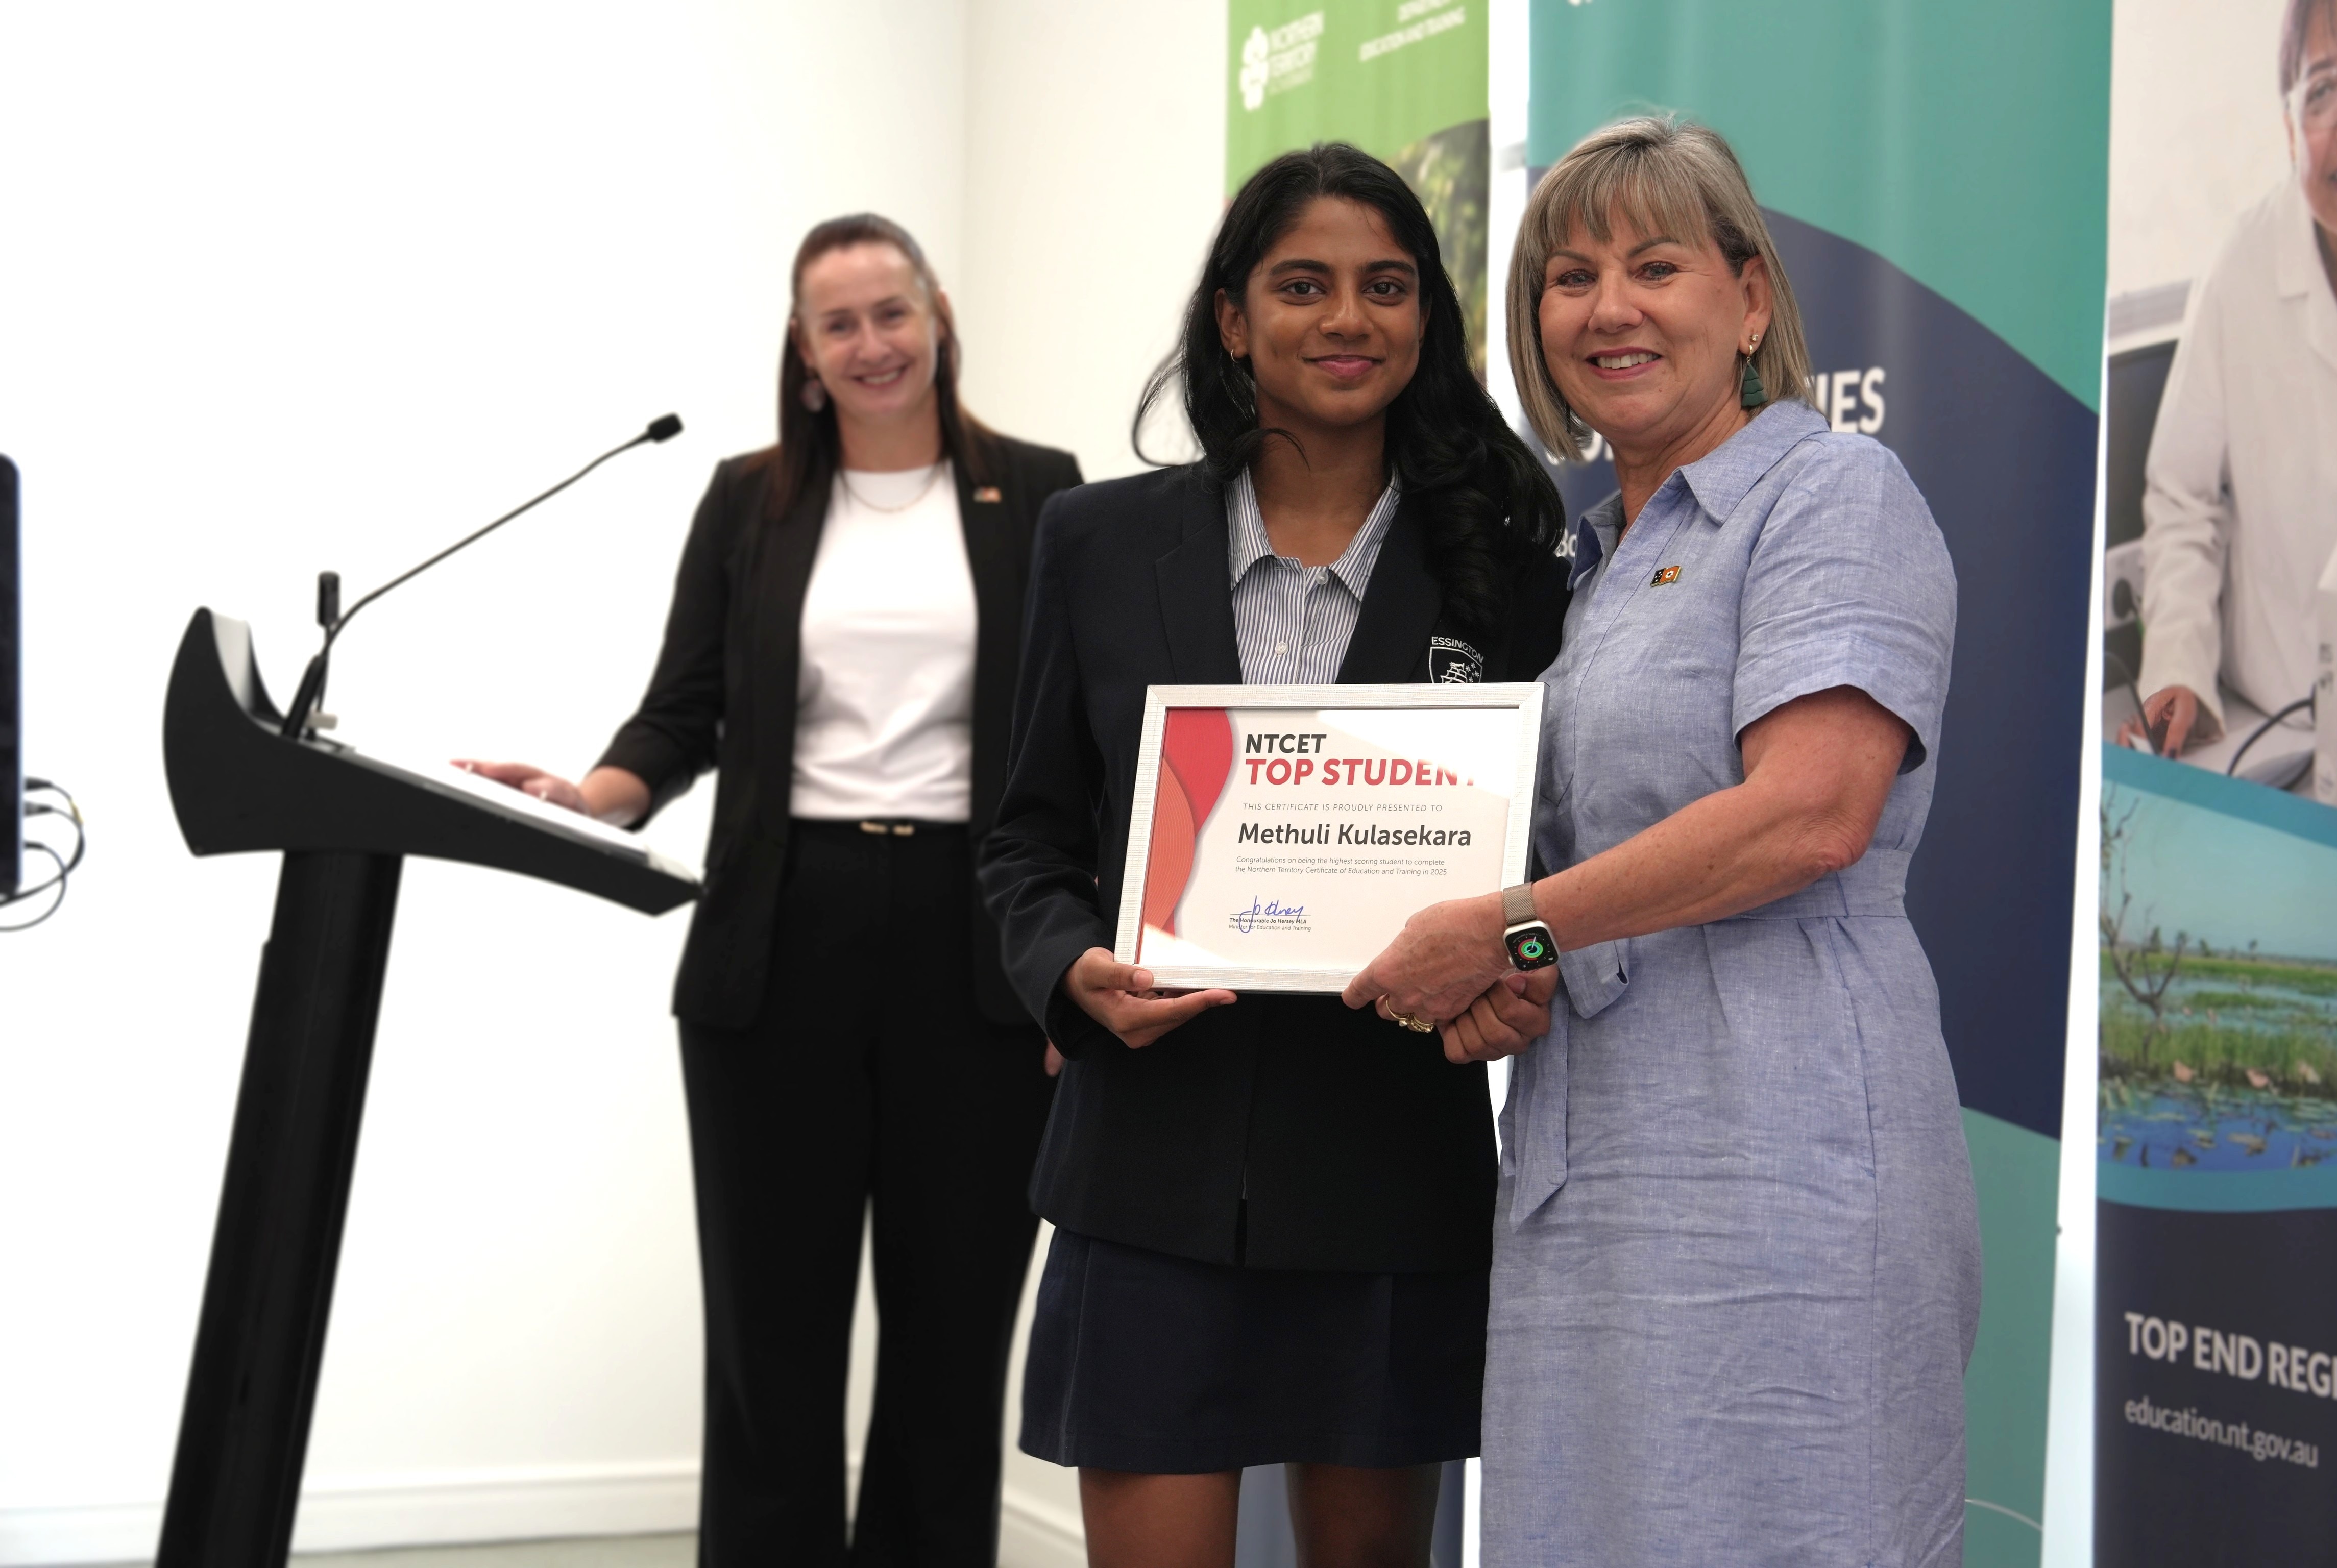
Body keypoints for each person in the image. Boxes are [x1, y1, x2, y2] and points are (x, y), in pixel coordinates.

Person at [1343, 116, 1980, 1565]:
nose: (1608, 308)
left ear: (1749, 299)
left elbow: (1813, 813)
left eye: (1655, 266)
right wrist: (1509, 977)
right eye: (1570, 278)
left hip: (1787, 1146)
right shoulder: (1587, 567)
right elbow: (1579, 877)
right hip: (1594, 1153)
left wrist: (1510, 928)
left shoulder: (1834, 494)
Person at [977, 144, 1567, 1568]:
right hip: (1148, 1171)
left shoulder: (1505, 562)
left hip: (1387, 1177)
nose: (1347, 318)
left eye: (1386, 286)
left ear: (1427, 317)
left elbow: (1556, 866)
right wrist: (1071, 972)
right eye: (1303, 286)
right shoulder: (1096, 542)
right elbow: (1025, 842)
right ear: (1234, 321)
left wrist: (1521, 965)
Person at [461, 214, 1082, 1566]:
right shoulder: (750, 499)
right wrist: (594, 794)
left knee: (954, 1330)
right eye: (837, 323)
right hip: (783, 935)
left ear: (938, 317)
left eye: (891, 312)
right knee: (769, 1333)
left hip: (977, 943)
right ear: (803, 350)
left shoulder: (1041, 493)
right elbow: (683, 708)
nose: (871, 344)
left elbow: (1073, 731)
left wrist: (1076, 952)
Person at [2131, 0, 2337, 756]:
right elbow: (2184, 498)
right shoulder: (2243, 267)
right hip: (2283, 727)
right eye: (2323, 89)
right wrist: (2179, 670)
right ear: (2290, 128)